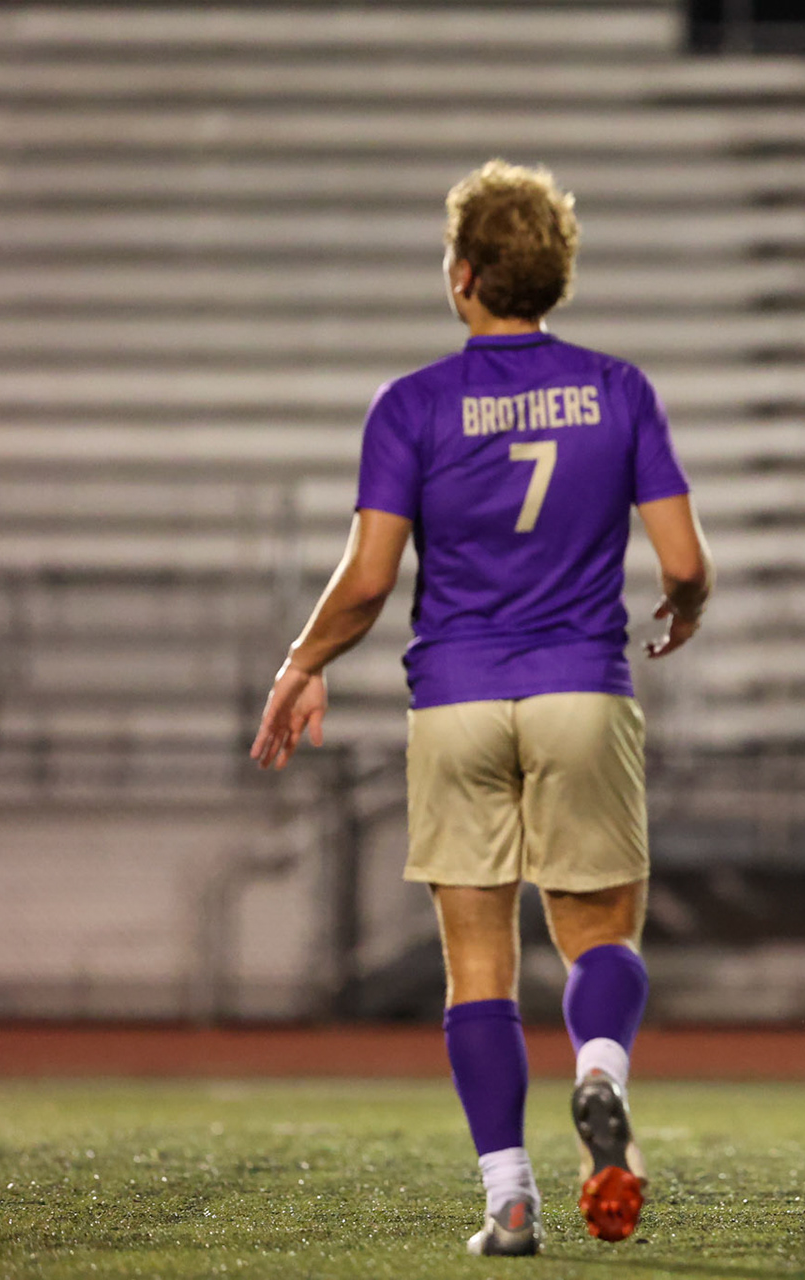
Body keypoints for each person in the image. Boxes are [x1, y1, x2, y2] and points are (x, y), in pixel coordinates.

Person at [249, 160, 714, 1257]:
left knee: (477, 967)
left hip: (454, 697)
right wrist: (684, 605)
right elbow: (686, 559)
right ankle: (601, 1074)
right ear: (556, 273)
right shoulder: (619, 388)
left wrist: (301, 662)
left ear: (463, 276)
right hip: (581, 689)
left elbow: (367, 581)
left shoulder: (411, 404)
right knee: (601, 934)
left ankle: (509, 1198)